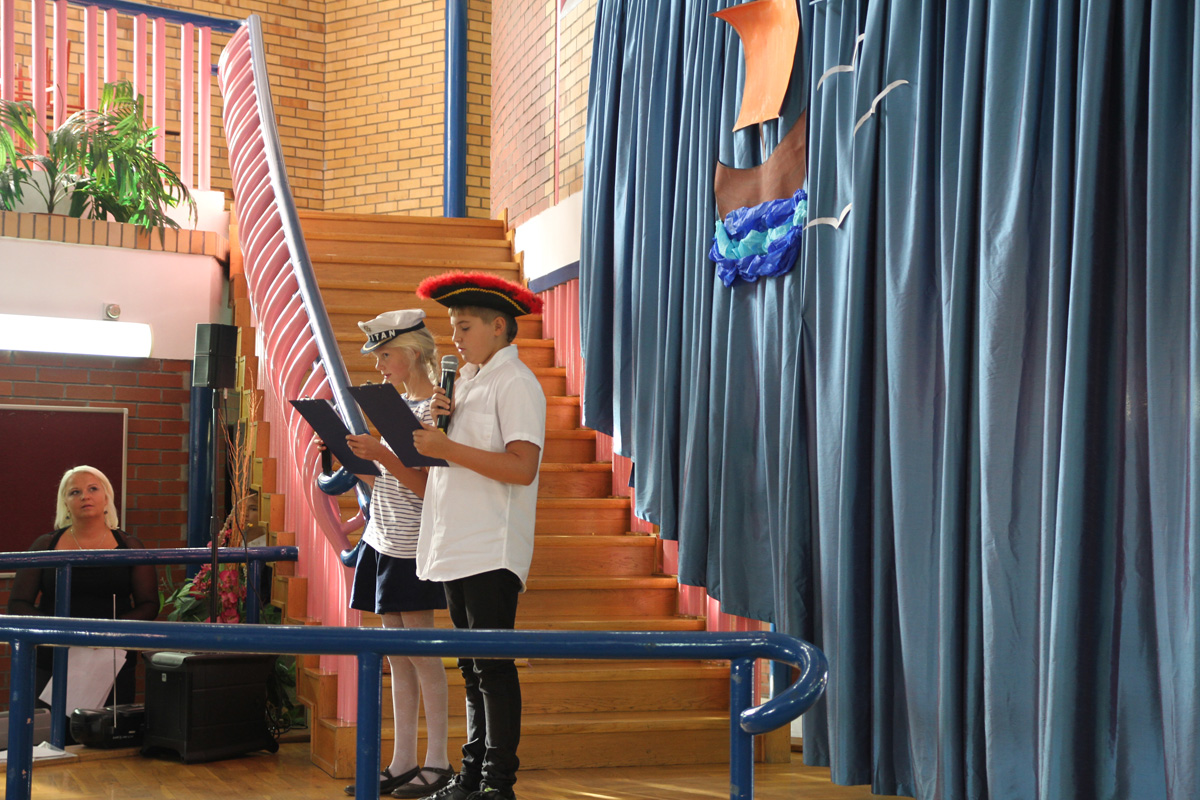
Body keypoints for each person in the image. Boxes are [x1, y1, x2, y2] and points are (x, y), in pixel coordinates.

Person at [410, 273, 547, 800]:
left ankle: (497, 783)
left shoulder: (515, 382)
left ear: (498, 327)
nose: (455, 338)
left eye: (464, 327)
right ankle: (470, 776)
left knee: (492, 666)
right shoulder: (463, 381)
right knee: (470, 667)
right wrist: (440, 431)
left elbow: (521, 467)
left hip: (490, 545)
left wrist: (447, 448)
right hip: (457, 541)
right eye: (452, 327)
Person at [331, 308, 454, 798]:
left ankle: (438, 761)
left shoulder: (435, 409)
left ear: (413, 353)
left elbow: (427, 489)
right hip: (381, 538)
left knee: (423, 656)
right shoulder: (397, 405)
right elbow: (384, 481)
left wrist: (381, 454)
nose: (379, 365)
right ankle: (403, 760)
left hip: (411, 544)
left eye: (385, 355)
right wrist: (353, 454)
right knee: (398, 659)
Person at [8, 465, 159, 716]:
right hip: (54, 655)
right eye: (75, 492)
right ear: (65, 503)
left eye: (93, 489)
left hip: (110, 658)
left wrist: (106, 633)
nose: (84, 497)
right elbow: (18, 603)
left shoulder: (130, 546)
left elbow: (149, 604)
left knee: (108, 733)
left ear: (106, 498)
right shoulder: (45, 545)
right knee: (51, 733)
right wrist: (61, 631)